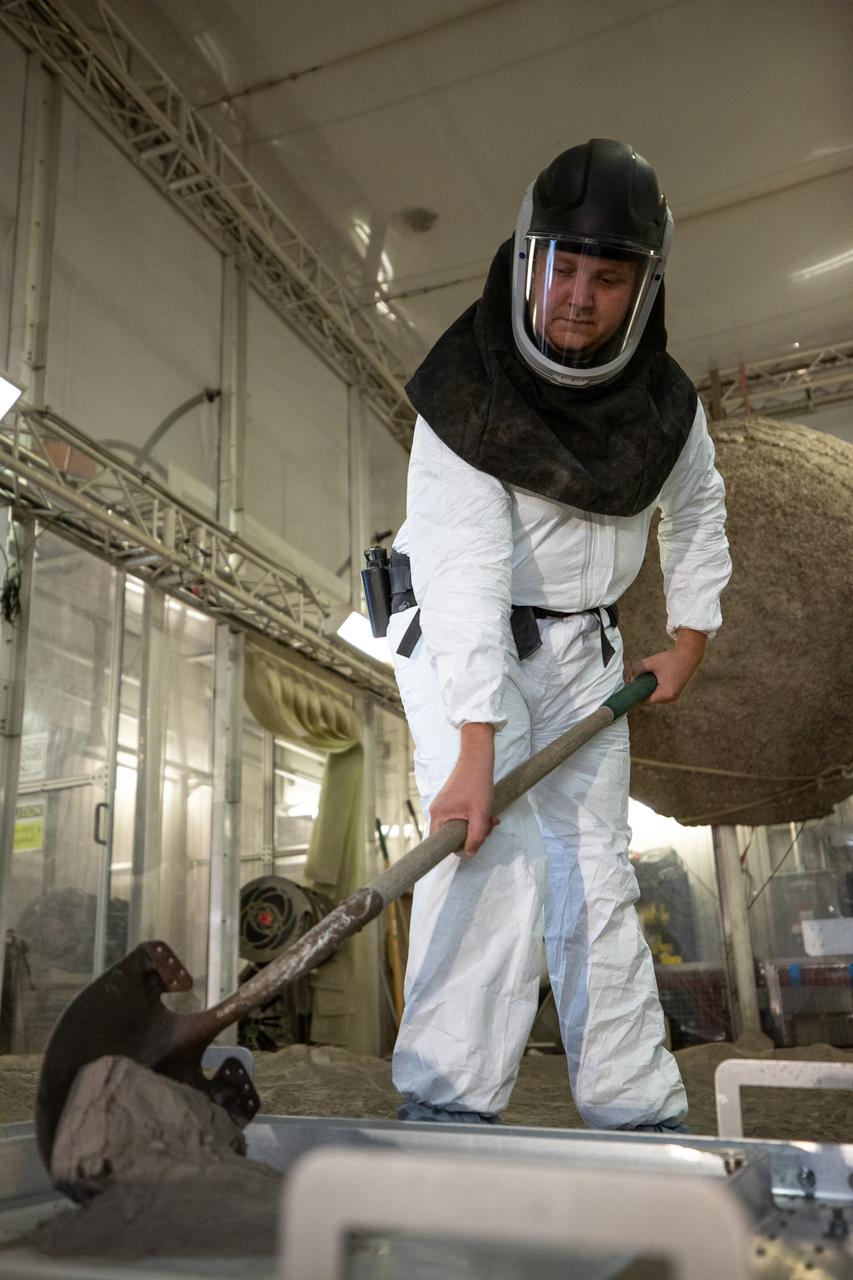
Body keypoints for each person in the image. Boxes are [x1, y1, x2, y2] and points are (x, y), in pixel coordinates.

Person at [385, 139, 731, 1130]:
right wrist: (477, 744)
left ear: (642, 285)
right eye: (562, 266)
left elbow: (699, 506)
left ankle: (633, 1104)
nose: (577, 296)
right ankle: (447, 1104)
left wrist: (691, 635)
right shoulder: (464, 390)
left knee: (594, 867)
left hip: (585, 653)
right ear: (528, 258)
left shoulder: (668, 409)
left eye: (606, 276)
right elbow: (464, 573)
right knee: (487, 858)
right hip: (462, 645)